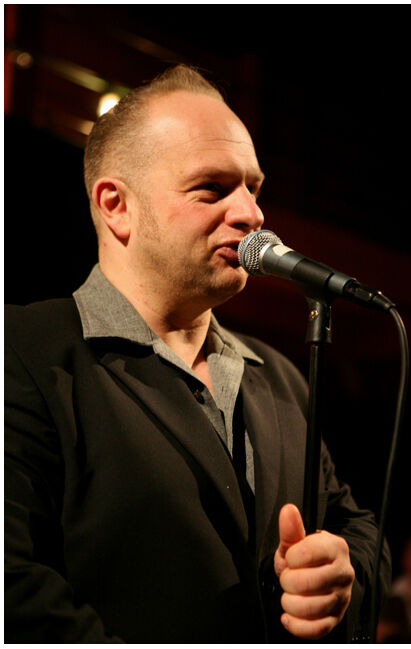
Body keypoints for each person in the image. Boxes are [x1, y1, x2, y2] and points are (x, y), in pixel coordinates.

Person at [5, 64, 391, 643]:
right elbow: (14, 588)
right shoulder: (23, 351)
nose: (252, 215)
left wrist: (343, 577)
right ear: (116, 206)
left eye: (253, 188)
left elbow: (355, 528)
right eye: (212, 188)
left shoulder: (279, 376)